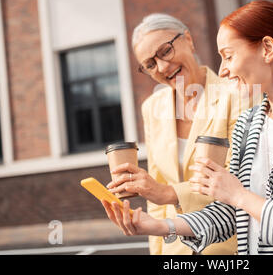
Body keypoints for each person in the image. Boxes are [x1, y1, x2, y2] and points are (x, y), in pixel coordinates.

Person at [102, 1, 273, 255]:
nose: (223, 71)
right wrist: (161, 226)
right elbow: (230, 214)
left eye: (228, 57)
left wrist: (240, 195)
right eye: (149, 64)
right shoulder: (250, 124)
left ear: (267, 48)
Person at [101, 13, 252, 255]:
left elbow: (240, 180)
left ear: (189, 40)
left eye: (165, 51)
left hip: (228, 249)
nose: (161, 67)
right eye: (150, 65)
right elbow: (157, 196)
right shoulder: (153, 107)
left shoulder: (238, 94)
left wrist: (167, 193)